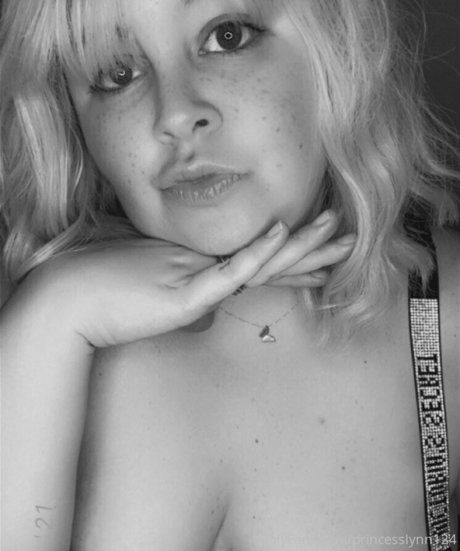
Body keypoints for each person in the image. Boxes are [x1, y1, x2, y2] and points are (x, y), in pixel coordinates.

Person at [1, 0, 459, 550]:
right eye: (117, 74)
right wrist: (50, 317)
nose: (175, 115)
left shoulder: (438, 320)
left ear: (339, 49)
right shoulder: (43, 354)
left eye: (227, 36)